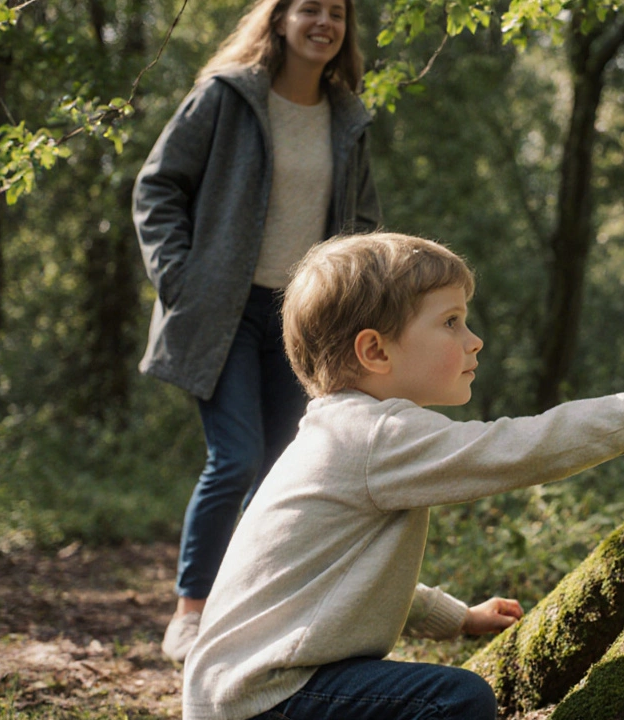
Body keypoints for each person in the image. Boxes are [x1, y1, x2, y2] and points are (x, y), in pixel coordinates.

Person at [180, 232, 624, 720]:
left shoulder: (339, 434)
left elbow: (332, 584)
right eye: (451, 323)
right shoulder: (375, 435)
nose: (474, 340)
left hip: (243, 693)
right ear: (376, 352)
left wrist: (456, 618)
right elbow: (519, 449)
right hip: (262, 699)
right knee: (457, 702)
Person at [132, 0, 381, 663]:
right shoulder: (225, 96)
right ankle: (189, 613)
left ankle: (254, 617)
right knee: (235, 459)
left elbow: (361, 224)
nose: (323, 22)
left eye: (336, 12)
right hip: (223, 311)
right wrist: (181, 280)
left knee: (283, 472)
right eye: (309, 9)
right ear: (278, 18)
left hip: (304, 320)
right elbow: (157, 188)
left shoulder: (349, 119)